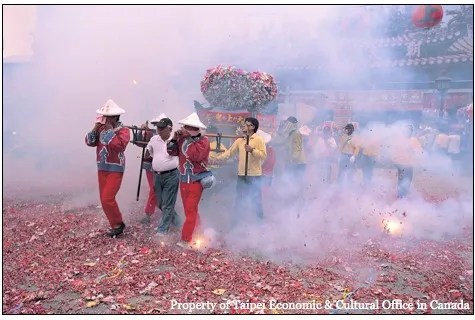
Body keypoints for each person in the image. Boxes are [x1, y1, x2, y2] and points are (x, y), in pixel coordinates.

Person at [85, 99, 130, 237]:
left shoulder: (124, 130)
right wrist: (94, 127)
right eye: (105, 116)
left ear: (115, 117)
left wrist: (111, 132)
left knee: (107, 198)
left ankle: (119, 223)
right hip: (102, 167)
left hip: (115, 169)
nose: (106, 119)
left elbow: (120, 146)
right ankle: (115, 225)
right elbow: (89, 141)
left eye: (109, 116)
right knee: (103, 199)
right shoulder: (100, 129)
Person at [167, 112, 211, 249]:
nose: (184, 129)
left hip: (196, 181)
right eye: (184, 127)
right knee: (188, 210)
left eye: (187, 127)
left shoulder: (204, 141)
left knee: (191, 210)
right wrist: (174, 139)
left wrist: (190, 139)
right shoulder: (181, 140)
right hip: (184, 179)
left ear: (194, 129)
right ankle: (199, 229)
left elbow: (196, 156)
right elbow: (171, 152)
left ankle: (186, 239)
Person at [216, 117, 267, 223]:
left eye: (246, 124)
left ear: (252, 127)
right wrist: (216, 159)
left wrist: (252, 150)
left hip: (254, 175)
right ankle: (236, 223)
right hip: (242, 174)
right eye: (243, 124)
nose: (243, 126)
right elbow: (229, 153)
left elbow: (263, 155)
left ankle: (259, 222)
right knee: (239, 199)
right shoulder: (239, 140)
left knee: (256, 200)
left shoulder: (258, 139)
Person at [146, 116, 180, 236]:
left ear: (169, 129)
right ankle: (177, 222)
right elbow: (150, 151)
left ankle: (162, 230)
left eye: (162, 128)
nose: (159, 131)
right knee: (160, 202)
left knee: (167, 204)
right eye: (158, 128)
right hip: (157, 175)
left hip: (171, 175)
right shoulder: (154, 139)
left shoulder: (176, 140)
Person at [391, 124, 423, 198]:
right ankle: (402, 195)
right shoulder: (409, 140)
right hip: (403, 164)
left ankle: (401, 194)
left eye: (409, 130)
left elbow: (419, 152)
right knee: (405, 179)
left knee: (404, 179)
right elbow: (394, 151)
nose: (408, 132)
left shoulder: (411, 140)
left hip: (406, 164)